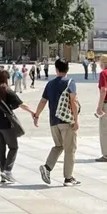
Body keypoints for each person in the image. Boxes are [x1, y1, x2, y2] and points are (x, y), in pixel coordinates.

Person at [33, 58, 81, 187]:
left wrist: (36, 115)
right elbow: (73, 102)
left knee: (59, 146)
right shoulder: (70, 82)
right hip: (66, 121)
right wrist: (76, 120)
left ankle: (47, 167)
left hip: (54, 121)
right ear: (67, 69)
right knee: (70, 149)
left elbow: (43, 101)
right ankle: (68, 177)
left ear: (56, 69)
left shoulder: (50, 84)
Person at [0, 69, 36, 183]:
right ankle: (7, 170)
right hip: (6, 123)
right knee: (13, 147)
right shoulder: (6, 90)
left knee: (0, 151)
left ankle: (3, 174)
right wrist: (32, 112)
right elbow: (21, 104)